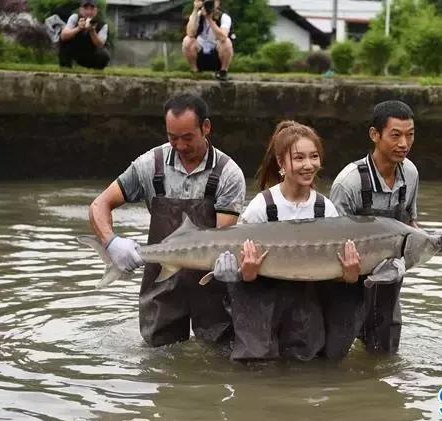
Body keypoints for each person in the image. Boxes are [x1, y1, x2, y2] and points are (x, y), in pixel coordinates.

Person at [88, 93, 245, 348]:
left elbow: (220, 241)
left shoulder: (228, 174)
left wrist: (231, 268)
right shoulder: (150, 164)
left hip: (209, 281)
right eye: (173, 138)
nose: (180, 146)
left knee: (217, 356)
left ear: (206, 127)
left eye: (187, 138)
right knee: (158, 361)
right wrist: (111, 242)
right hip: (162, 281)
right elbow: (99, 204)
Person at [212, 121, 365, 361]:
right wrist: (245, 273)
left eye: (314, 156)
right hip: (262, 302)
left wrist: (348, 276)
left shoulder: (325, 208)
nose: (308, 165)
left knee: (307, 367)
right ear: (282, 163)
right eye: (299, 158)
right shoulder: (261, 207)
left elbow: (333, 269)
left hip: (307, 305)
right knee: (258, 368)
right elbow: (241, 265)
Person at [330, 100, 442, 354]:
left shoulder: (410, 172)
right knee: (336, 353)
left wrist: (433, 241)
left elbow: (409, 223)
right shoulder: (349, 182)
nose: (404, 144)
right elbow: (331, 240)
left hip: (389, 278)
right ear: (375, 135)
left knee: (385, 353)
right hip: (348, 281)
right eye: (396, 135)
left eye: (410, 135)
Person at [183, 0, 234, 81]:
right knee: (187, 40)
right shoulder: (198, 15)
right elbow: (190, 33)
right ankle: (194, 71)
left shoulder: (224, 17)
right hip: (200, 50)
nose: (210, 6)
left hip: (217, 52)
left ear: (218, 3)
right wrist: (195, 10)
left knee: (227, 42)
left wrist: (210, 19)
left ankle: (223, 71)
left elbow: (223, 37)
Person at [59, 0, 110, 69]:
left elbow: (100, 44)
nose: (88, 12)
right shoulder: (74, 18)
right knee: (64, 41)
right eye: (86, 8)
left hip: (91, 54)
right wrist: (78, 28)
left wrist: (92, 31)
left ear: (96, 11)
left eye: (92, 9)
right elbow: (63, 36)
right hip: (76, 51)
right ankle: (66, 66)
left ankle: (97, 69)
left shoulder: (102, 24)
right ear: (80, 10)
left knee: (103, 54)